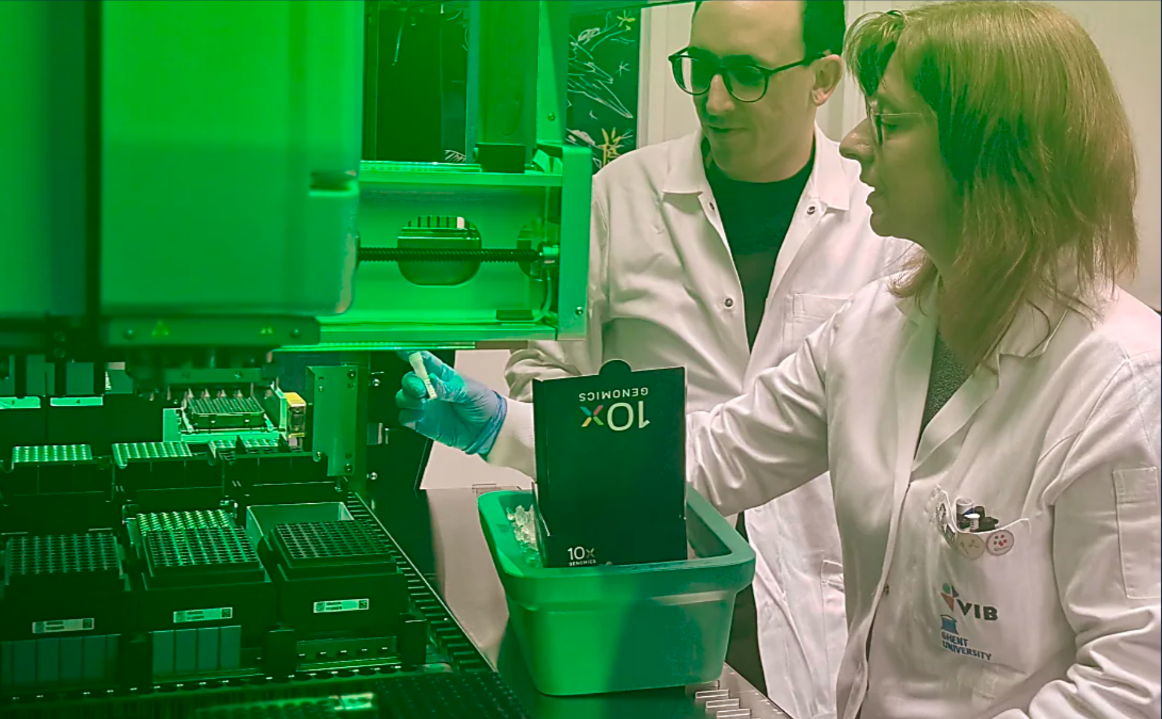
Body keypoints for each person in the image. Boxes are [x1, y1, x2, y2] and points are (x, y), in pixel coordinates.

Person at [398, 2, 1162, 717]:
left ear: (990, 158)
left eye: (888, 122)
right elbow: (707, 456)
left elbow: (1131, 684)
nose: (854, 142)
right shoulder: (880, 328)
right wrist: (501, 427)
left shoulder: (1122, 383)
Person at [505, 2, 910, 716]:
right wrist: (542, 438)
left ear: (822, 79)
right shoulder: (618, 197)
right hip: (640, 586)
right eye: (701, 68)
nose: (715, 101)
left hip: (822, 606)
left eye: (747, 74)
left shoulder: (885, 220)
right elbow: (544, 376)